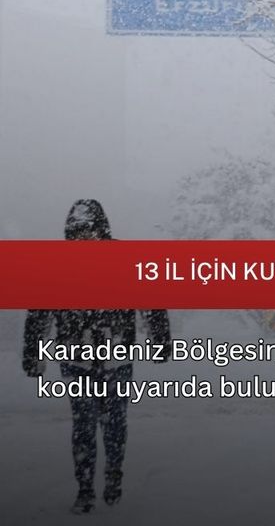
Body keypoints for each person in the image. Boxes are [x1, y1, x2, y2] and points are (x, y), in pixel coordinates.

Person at [22, 199, 172, 514]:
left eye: (87, 230)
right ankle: (86, 488)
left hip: (118, 359)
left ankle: (113, 474)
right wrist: (34, 353)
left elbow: (152, 301)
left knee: (115, 424)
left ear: (101, 229)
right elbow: (39, 313)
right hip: (75, 360)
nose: (82, 238)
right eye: (76, 232)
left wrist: (160, 340)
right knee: (84, 425)